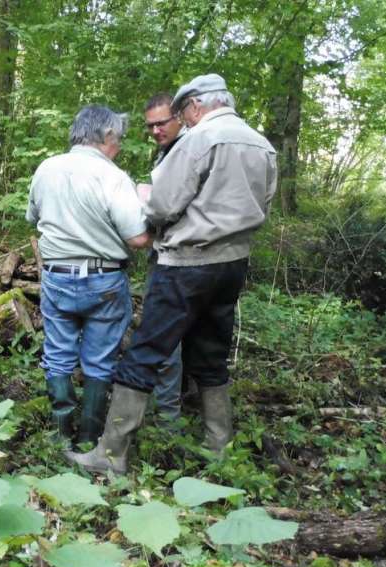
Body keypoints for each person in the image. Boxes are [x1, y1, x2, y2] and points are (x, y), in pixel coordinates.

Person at [67, 74, 277, 474]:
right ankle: (219, 448)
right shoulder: (261, 144)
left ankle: (110, 455)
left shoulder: (199, 140)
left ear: (196, 105)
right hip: (233, 263)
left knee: (145, 352)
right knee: (211, 354)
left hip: (187, 264)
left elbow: (163, 205)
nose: (183, 118)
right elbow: (263, 204)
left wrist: (146, 200)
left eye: (183, 110)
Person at [26, 105, 151, 447]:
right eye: (119, 138)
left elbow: (32, 217)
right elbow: (138, 239)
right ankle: (88, 438)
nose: (119, 146)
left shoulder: (46, 168)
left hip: (57, 276)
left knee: (57, 357)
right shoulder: (113, 176)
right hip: (103, 280)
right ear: (106, 135)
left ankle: (61, 436)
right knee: (99, 361)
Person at [142, 92, 185, 422]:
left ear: (180, 117)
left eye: (162, 123)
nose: (156, 131)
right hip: (169, 254)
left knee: (164, 334)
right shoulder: (167, 152)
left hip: (177, 258)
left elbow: (166, 208)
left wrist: (144, 200)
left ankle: (167, 419)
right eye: (150, 126)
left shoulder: (186, 151)